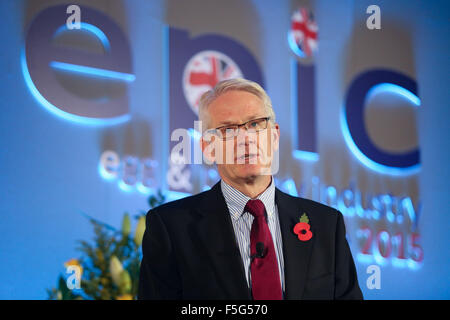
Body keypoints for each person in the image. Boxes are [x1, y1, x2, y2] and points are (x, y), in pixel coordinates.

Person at [138, 78, 363, 300]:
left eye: (255, 124)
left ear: (274, 137)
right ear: (208, 148)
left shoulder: (326, 225)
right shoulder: (171, 228)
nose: (245, 139)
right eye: (228, 129)